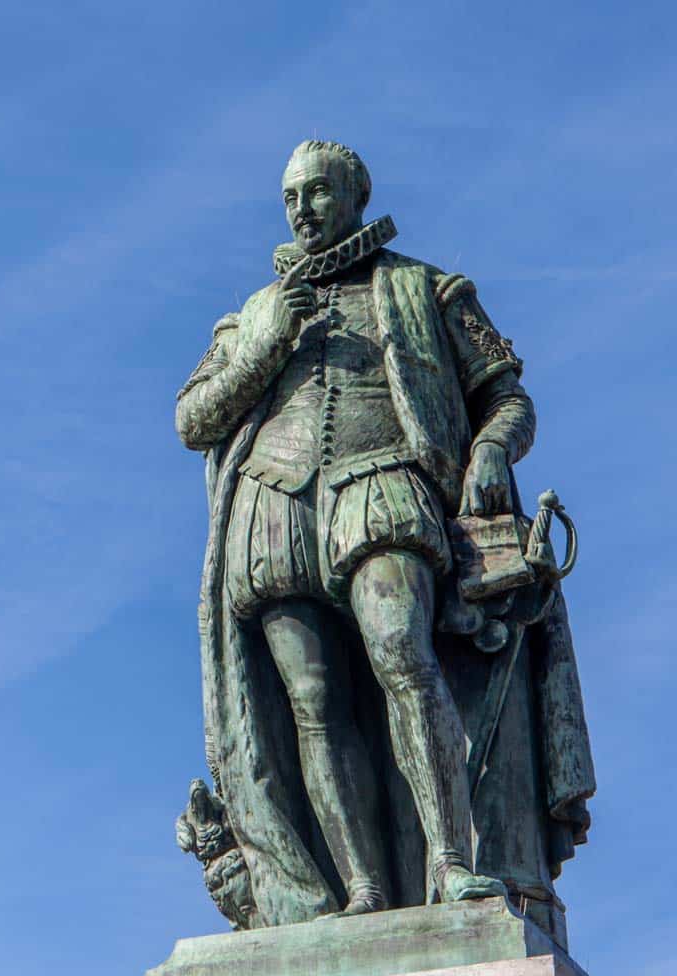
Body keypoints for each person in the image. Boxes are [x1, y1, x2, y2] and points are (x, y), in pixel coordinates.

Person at [176, 140, 595, 935]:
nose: (303, 207)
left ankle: (449, 861)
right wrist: (269, 345)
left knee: (403, 654)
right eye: (291, 195)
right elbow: (193, 420)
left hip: (384, 482)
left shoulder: (428, 287)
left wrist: (491, 451)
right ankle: (363, 889)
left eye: (319, 191)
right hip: (271, 510)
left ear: (358, 195)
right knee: (312, 703)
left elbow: (510, 400)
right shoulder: (252, 315)